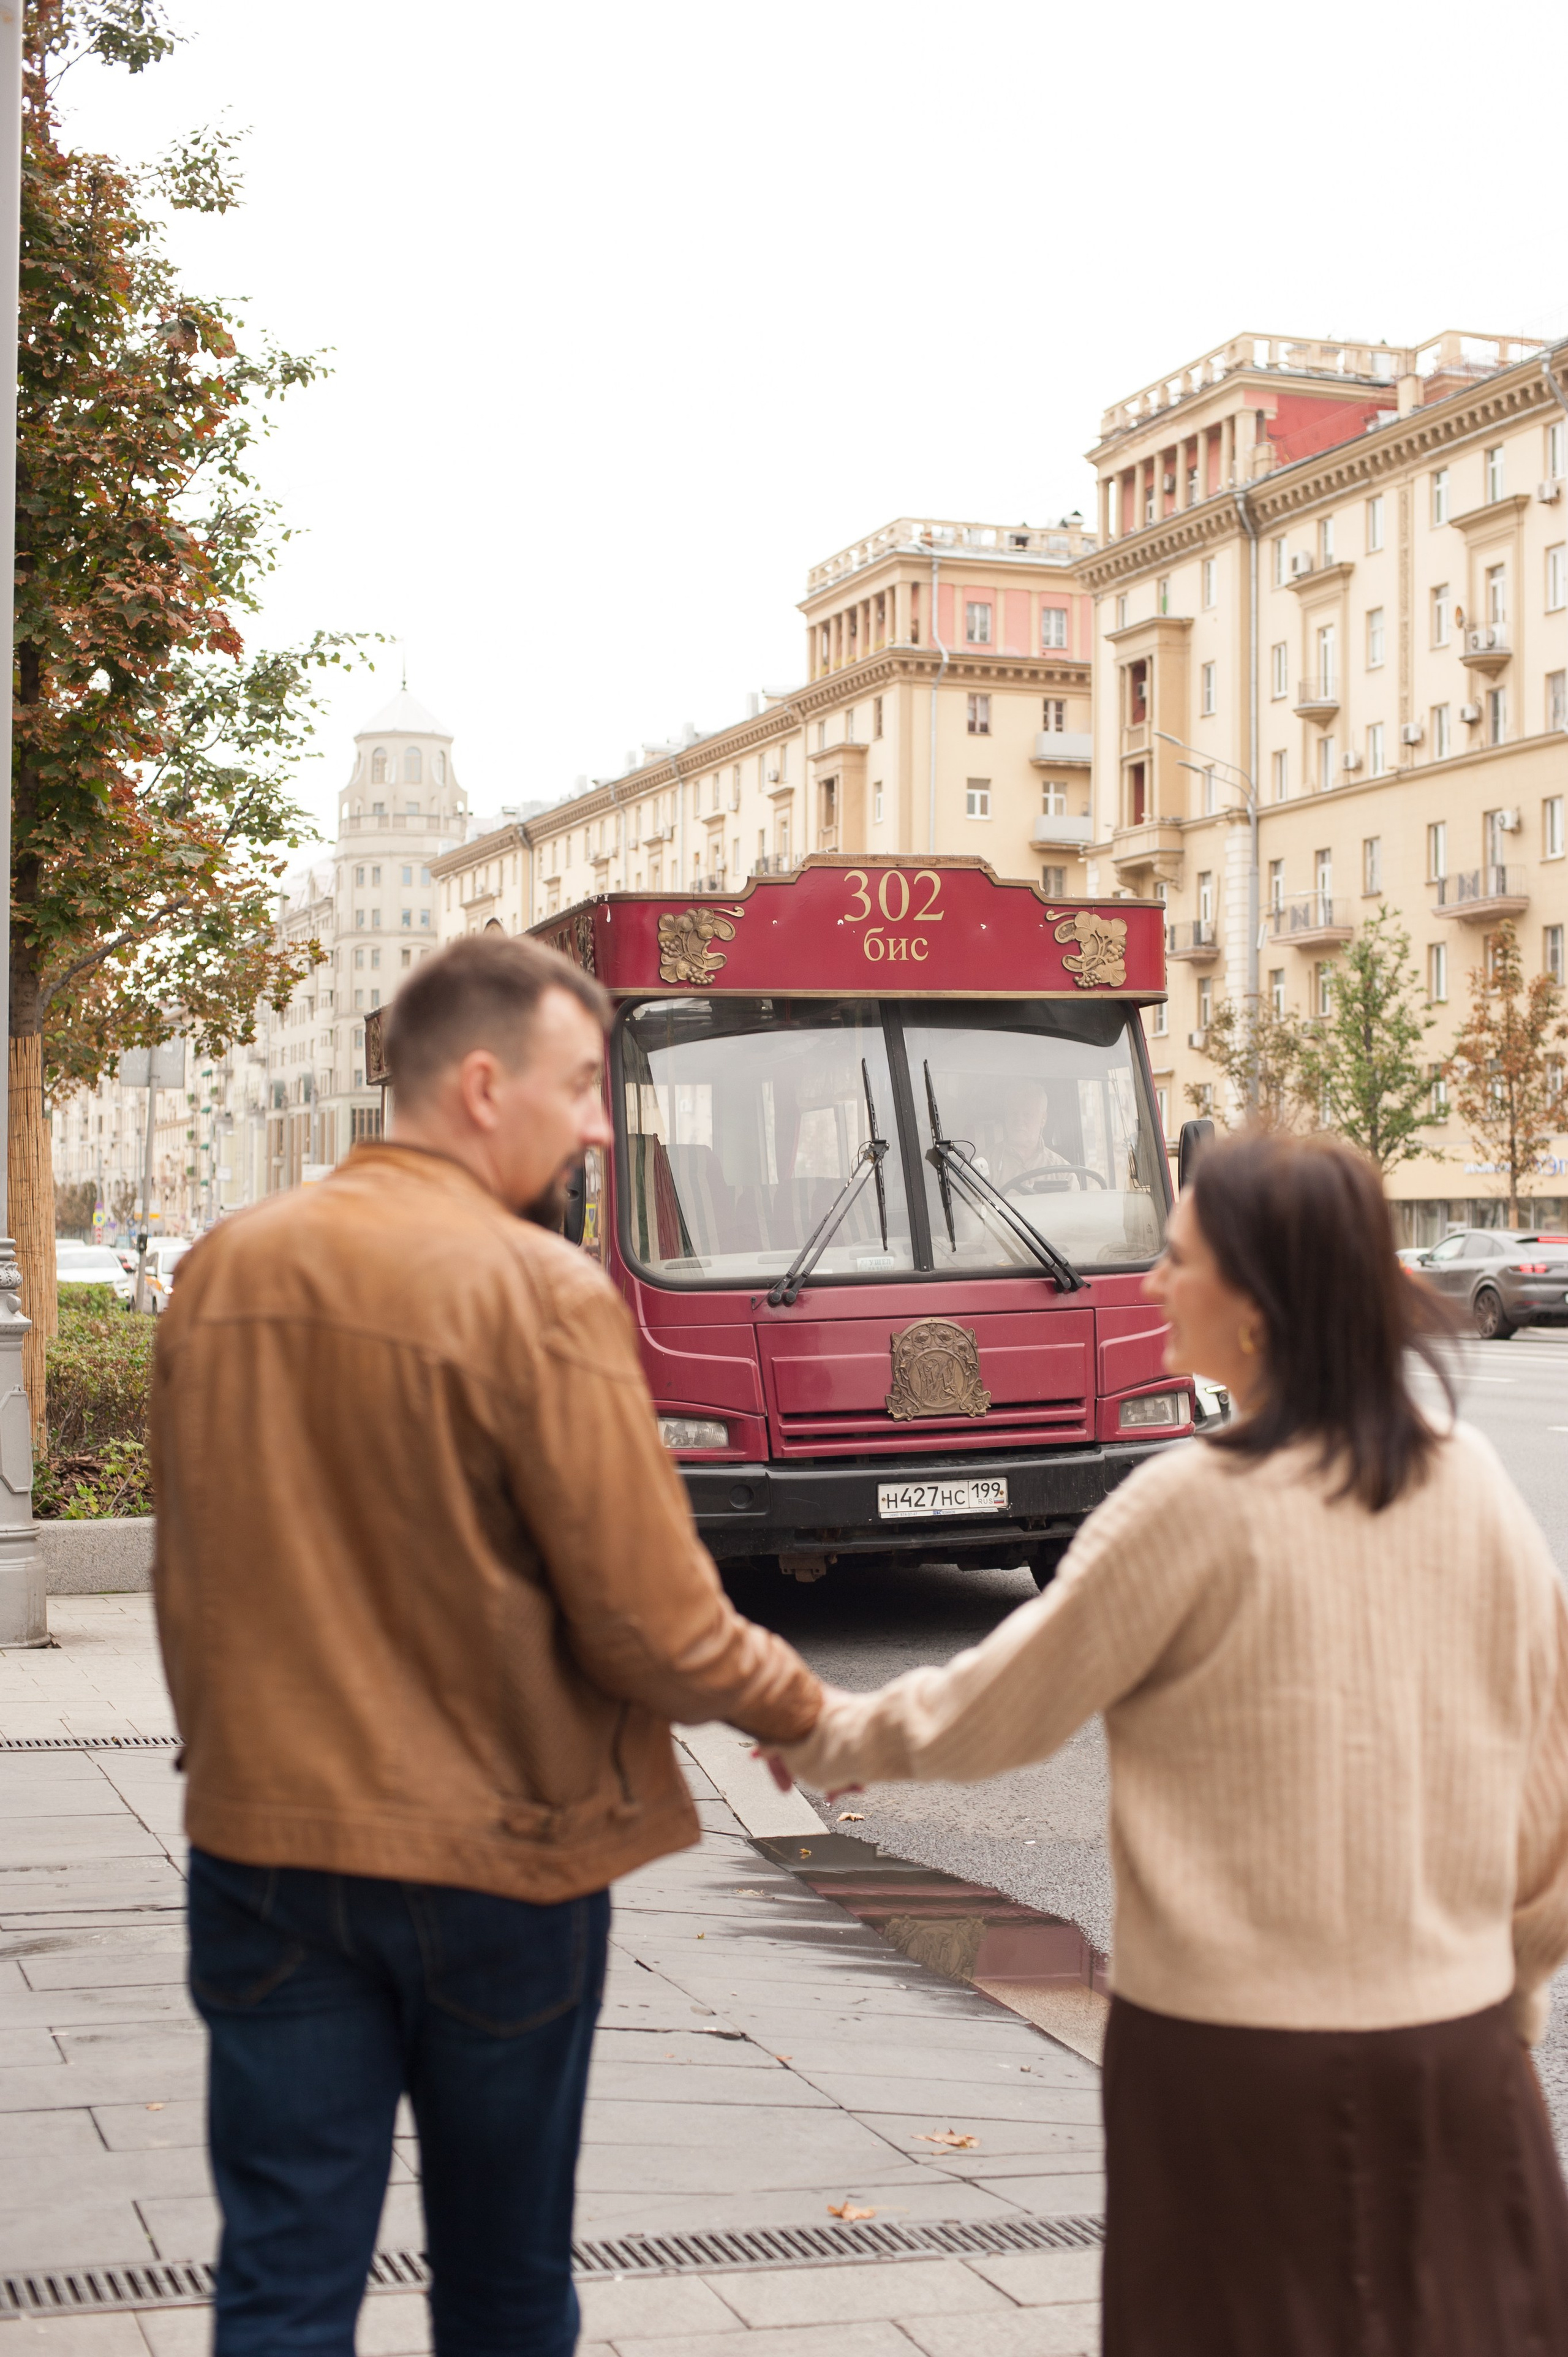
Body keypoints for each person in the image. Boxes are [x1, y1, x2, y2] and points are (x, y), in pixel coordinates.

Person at [766, 1129, 1568, 2355]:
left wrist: (829, 1734)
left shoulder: (1187, 1508)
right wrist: (1499, 1996)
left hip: (1228, 2072)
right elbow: (1545, 1793)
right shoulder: (1475, 1490)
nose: (1146, 1281)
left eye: (1176, 1256)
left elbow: (1001, 1703)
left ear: (1253, 1303)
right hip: (1449, 2066)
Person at [151, 934, 822, 2357]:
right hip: (499, 1864)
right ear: (477, 1083)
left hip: (265, 1849)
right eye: (579, 1084)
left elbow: (186, 1572)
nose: (595, 1121)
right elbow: (648, 1620)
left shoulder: (223, 1268)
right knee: (505, 2281)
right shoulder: (540, 1290)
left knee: (279, 2275)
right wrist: (798, 1706)